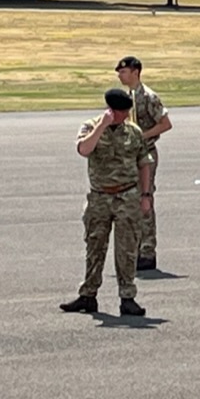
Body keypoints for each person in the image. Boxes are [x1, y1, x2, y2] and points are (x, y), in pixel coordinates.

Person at [60, 88, 154, 317]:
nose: (125, 116)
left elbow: (144, 163)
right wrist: (102, 125)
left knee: (127, 249)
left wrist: (145, 195)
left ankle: (127, 297)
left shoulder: (133, 132)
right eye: (121, 112)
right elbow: (84, 149)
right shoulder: (90, 126)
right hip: (100, 197)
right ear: (111, 110)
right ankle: (88, 295)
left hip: (127, 196)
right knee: (94, 246)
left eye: (126, 112)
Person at [115, 56, 172, 272]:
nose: (121, 75)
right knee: (129, 199)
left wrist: (142, 135)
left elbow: (165, 124)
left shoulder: (148, 97)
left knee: (144, 198)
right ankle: (134, 247)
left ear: (136, 72)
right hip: (128, 155)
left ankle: (147, 251)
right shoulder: (125, 96)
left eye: (124, 72)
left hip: (145, 154)